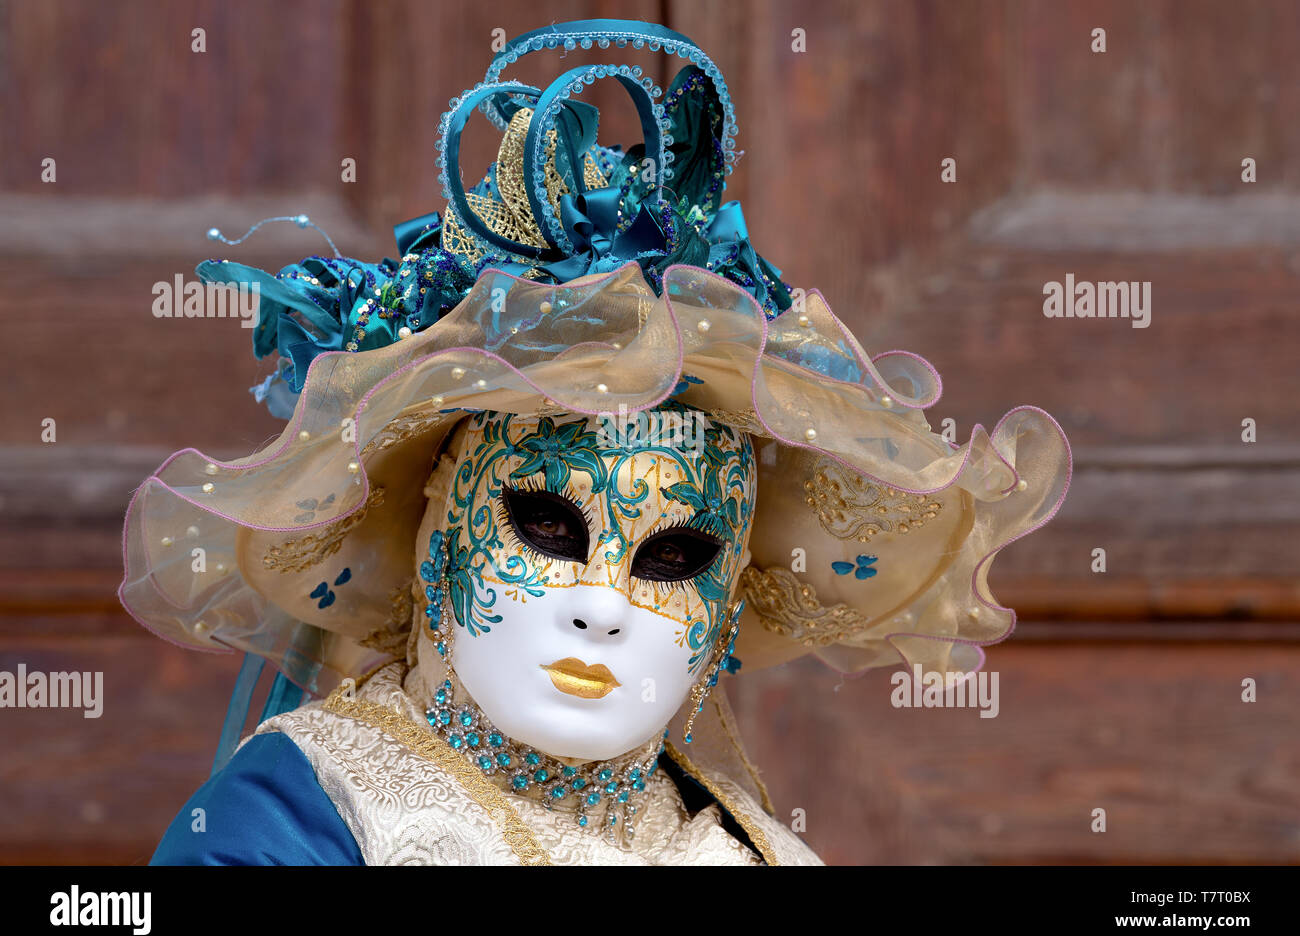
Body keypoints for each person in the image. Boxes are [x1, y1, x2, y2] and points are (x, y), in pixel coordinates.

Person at [123, 19, 1071, 866]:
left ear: (731, 592)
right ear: (432, 533)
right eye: (545, 524)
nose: (602, 611)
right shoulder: (300, 823)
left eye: (673, 555)